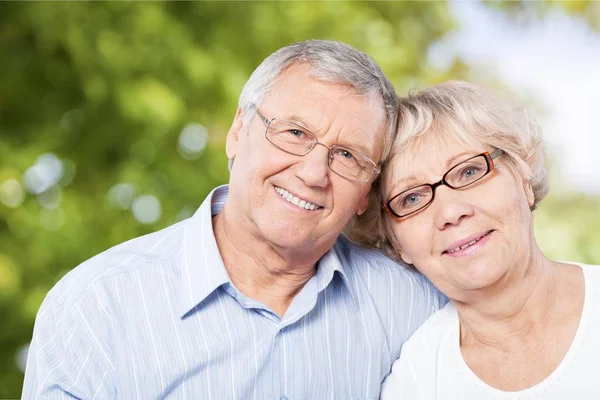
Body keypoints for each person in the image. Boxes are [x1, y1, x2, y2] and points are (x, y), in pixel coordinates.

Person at [22, 40, 446, 399]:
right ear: (237, 133)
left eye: (348, 156)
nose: (313, 173)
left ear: (366, 193)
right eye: (295, 133)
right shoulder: (95, 308)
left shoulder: (414, 307)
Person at [348, 80, 600, 399]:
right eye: (411, 198)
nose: (451, 212)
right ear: (397, 243)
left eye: (468, 172)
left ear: (523, 180)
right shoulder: (417, 381)